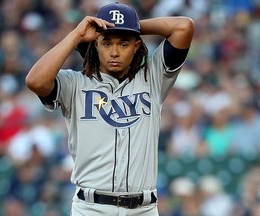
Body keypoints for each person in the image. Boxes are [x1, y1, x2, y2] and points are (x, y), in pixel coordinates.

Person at [25, 2, 194, 215]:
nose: (114, 52)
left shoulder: (153, 78)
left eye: (123, 44)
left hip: (143, 209)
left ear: (136, 46)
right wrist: (77, 34)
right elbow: (36, 82)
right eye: (107, 43)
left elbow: (183, 27)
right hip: (91, 208)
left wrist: (129, 26)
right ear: (95, 44)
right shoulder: (75, 83)